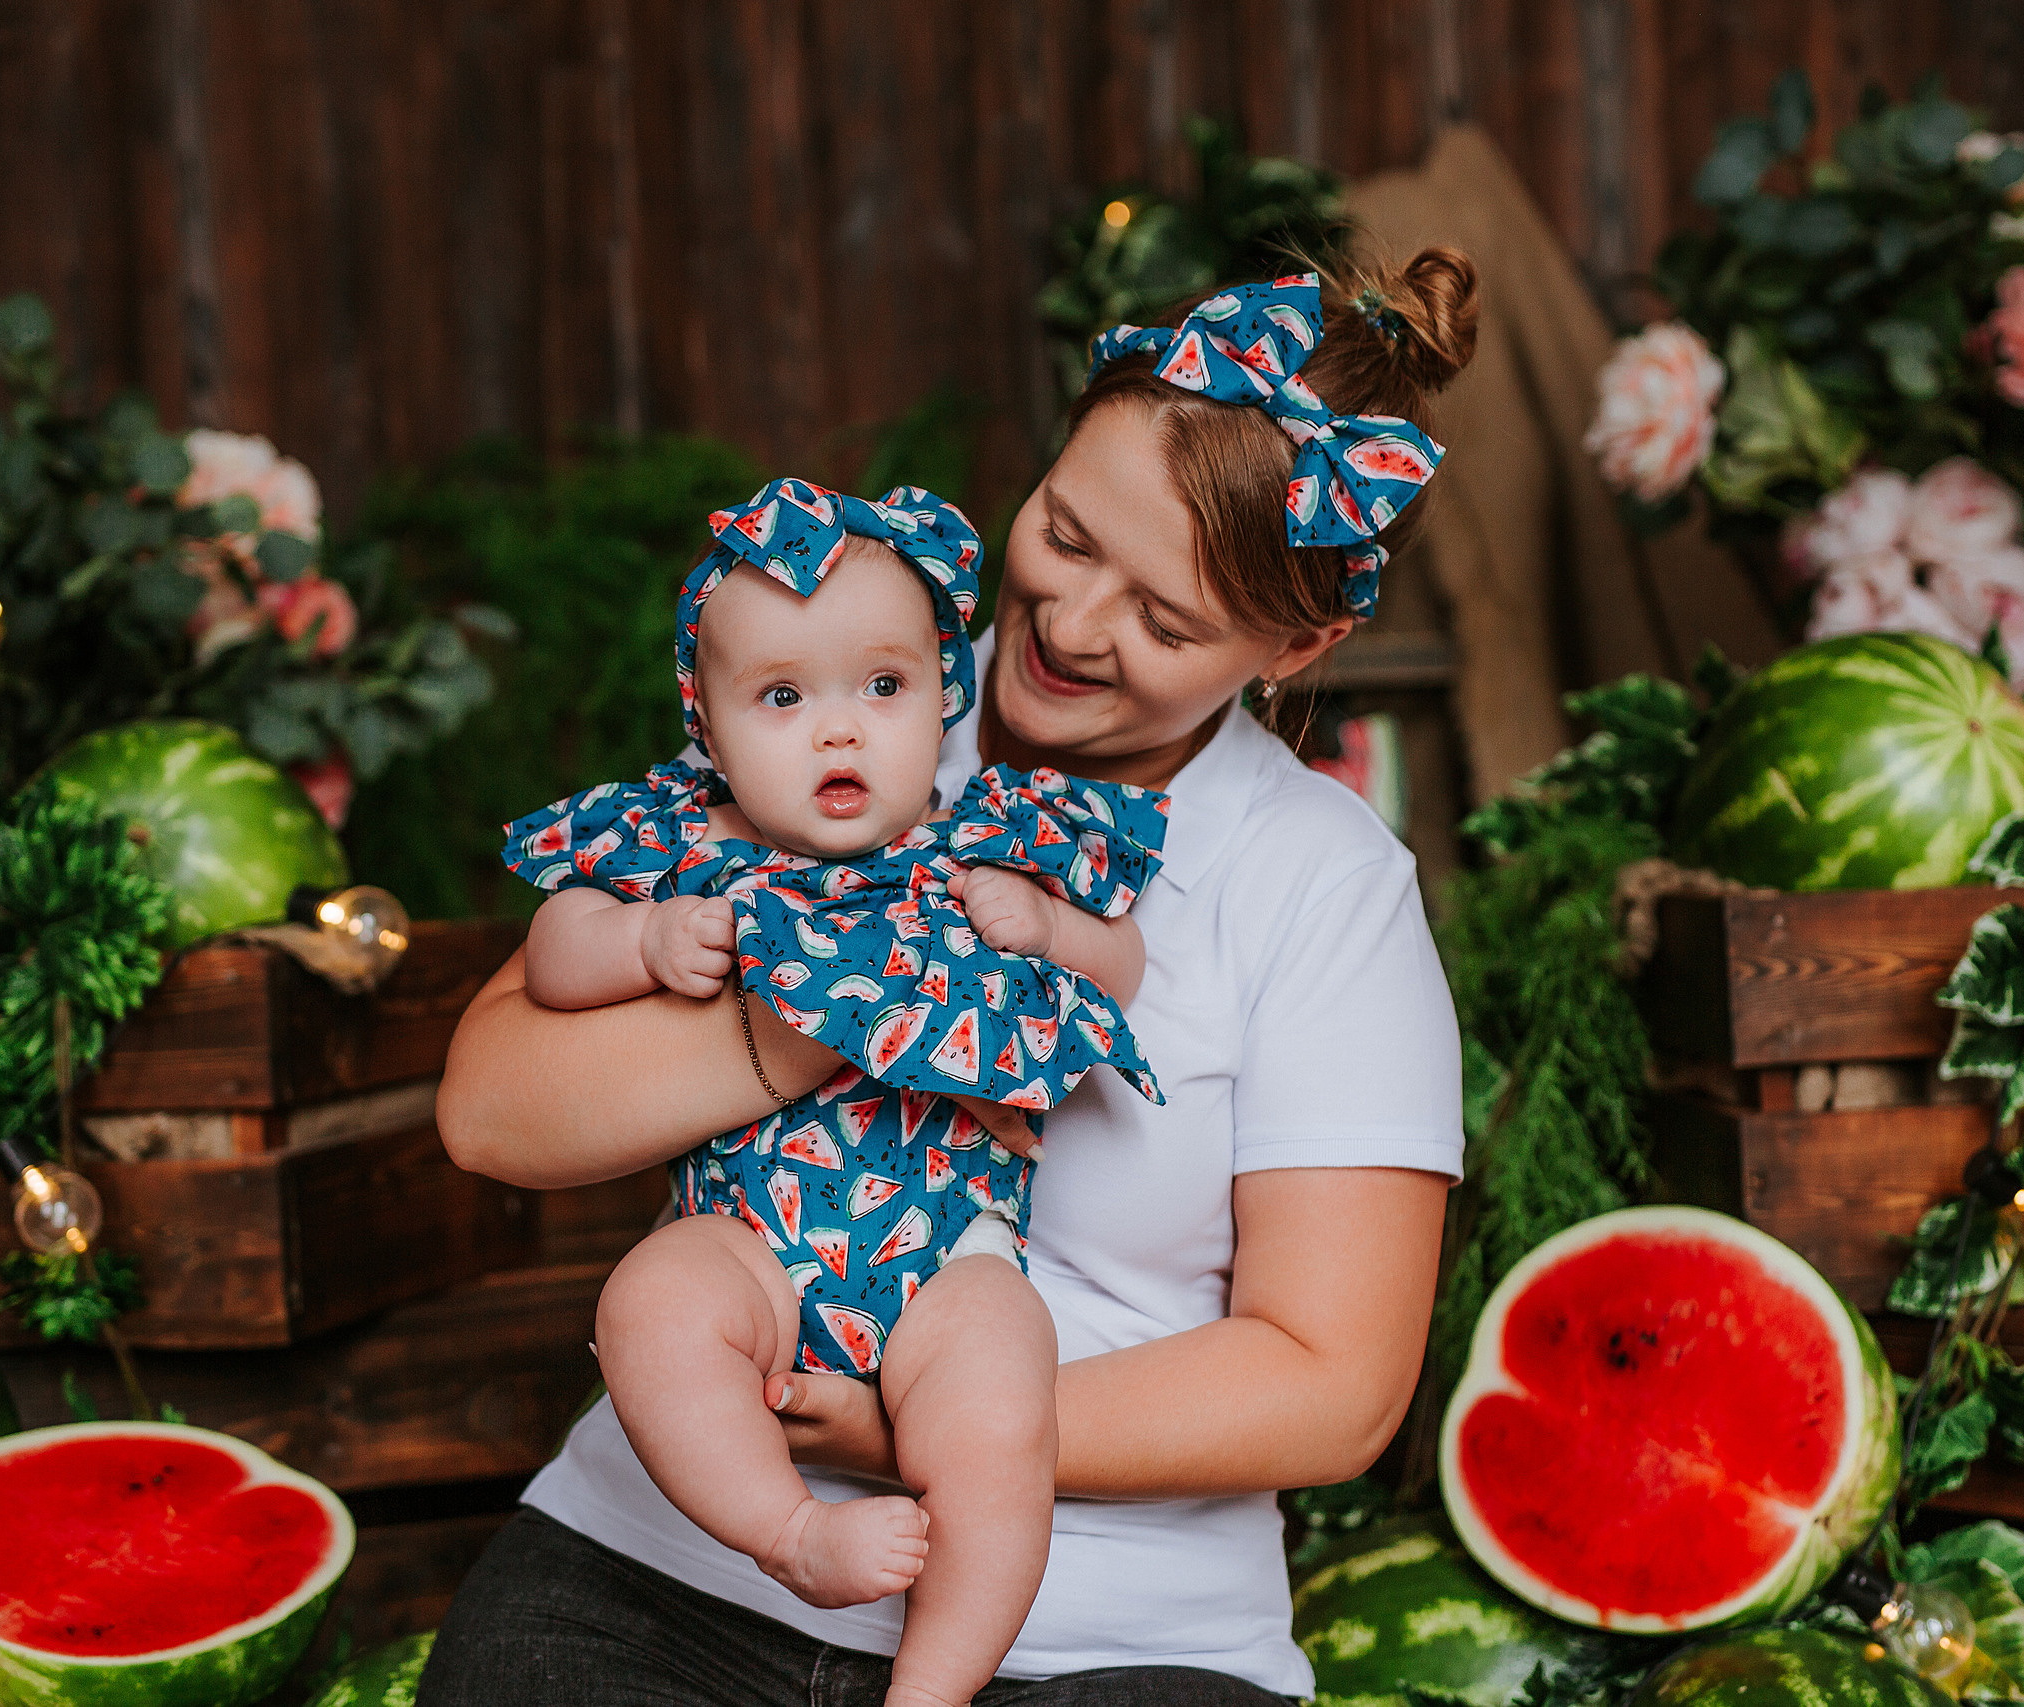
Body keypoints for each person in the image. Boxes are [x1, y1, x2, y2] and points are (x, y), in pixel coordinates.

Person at [424, 252, 1478, 1707]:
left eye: (1167, 623)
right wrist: (835, 1018)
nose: (1072, 621)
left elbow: (1332, 1375)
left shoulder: (1321, 883)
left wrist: (912, 1427)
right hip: (673, 1563)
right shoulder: (834, 693)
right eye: (1064, 529)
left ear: (1298, 646)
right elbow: (491, 1110)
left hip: (1113, 1635)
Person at [500, 476, 1171, 1707]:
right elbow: (552, 951)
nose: (840, 731)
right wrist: (643, 948)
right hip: (748, 1242)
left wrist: (1045, 928)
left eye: (882, 686)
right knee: (650, 1305)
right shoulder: (689, 851)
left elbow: (1125, 962)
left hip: (949, 1254)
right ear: (706, 725)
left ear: (941, 693)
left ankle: (934, 1688)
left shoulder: (989, 838)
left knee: (999, 1409)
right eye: (782, 697)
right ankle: (788, 1534)